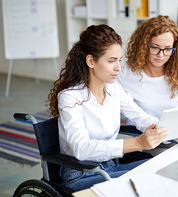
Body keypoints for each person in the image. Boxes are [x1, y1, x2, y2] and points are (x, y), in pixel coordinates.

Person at [47, 24, 169, 191]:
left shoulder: (113, 89)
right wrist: (138, 143)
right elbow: (81, 149)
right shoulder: (70, 97)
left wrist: (172, 129)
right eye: (111, 61)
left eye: (119, 60)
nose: (118, 67)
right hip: (81, 175)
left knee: (164, 168)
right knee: (150, 181)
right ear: (91, 61)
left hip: (109, 167)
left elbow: (141, 118)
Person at [117, 15, 178, 153]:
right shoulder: (125, 75)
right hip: (142, 144)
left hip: (177, 142)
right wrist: (175, 133)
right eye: (155, 47)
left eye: (167, 49)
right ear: (143, 46)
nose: (161, 55)